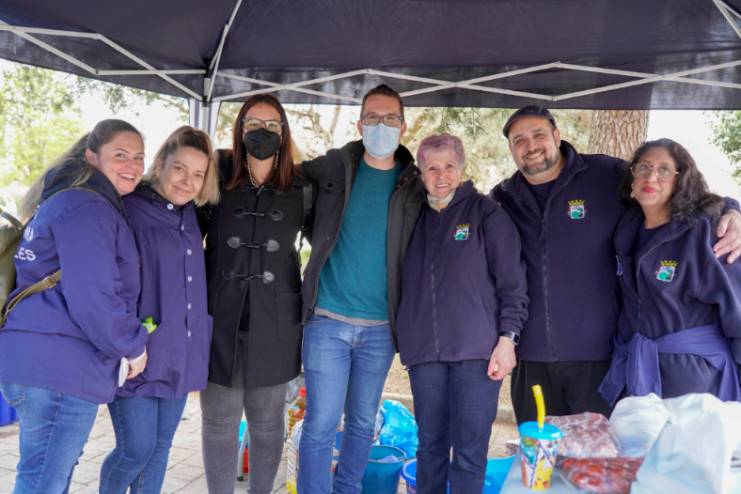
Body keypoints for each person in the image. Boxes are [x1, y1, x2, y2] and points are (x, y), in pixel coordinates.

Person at [490, 105, 741, 424]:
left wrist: (732, 210)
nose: (531, 146)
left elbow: (674, 189)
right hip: (533, 359)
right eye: (519, 140)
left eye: (538, 134)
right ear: (511, 149)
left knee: (601, 452)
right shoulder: (504, 197)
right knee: (538, 449)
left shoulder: (604, 174)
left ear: (557, 135)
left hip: (600, 359)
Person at [0, 119, 150, 493]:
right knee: (44, 482)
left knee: (44, 476)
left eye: (139, 157)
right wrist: (132, 345)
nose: (132, 165)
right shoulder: (88, 207)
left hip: (44, 361)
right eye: (120, 155)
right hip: (60, 367)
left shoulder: (67, 199)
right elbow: (93, 295)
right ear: (91, 156)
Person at [298, 84, 426, 494]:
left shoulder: (414, 183)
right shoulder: (335, 167)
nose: (380, 125)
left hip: (379, 329)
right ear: (359, 124)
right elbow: (288, 179)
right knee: (320, 422)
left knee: (362, 421)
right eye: (372, 117)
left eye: (390, 118)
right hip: (326, 321)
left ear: (403, 126)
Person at [396, 133, 528, 492]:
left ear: (462, 167)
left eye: (449, 166)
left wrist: (508, 340)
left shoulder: (487, 214)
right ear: (421, 172)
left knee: (469, 452)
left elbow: (513, 284)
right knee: (430, 448)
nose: (442, 176)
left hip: (476, 355)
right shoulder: (411, 219)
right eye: (432, 168)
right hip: (425, 355)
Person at [199, 94, 312, 494]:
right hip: (219, 318)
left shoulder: (302, 185)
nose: (262, 132)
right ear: (240, 128)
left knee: (267, 423)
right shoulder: (216, 172)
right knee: (219, 422)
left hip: (277, 321)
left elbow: (327, 239)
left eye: (271, 125)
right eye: (253, 124)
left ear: (283, 132)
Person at [98, 126, 220, 493]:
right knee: (135, 449)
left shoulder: (191, 215)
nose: (187, 181)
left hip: (181, 352)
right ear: (161, 164)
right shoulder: (130, 210)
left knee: (160, 448)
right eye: (180, 168)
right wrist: (126, 339)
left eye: (197, 174)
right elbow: (110, 282)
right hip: (139, 353)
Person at [599, 138, 741, 403]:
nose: (651, 176)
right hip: (638, 374)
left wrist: (733, 211)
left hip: (695, 382)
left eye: (664, 170)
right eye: (643, 167)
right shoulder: (626, 230)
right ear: (632, 178)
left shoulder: (706, 233)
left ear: (681, 181)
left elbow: (737, 309)